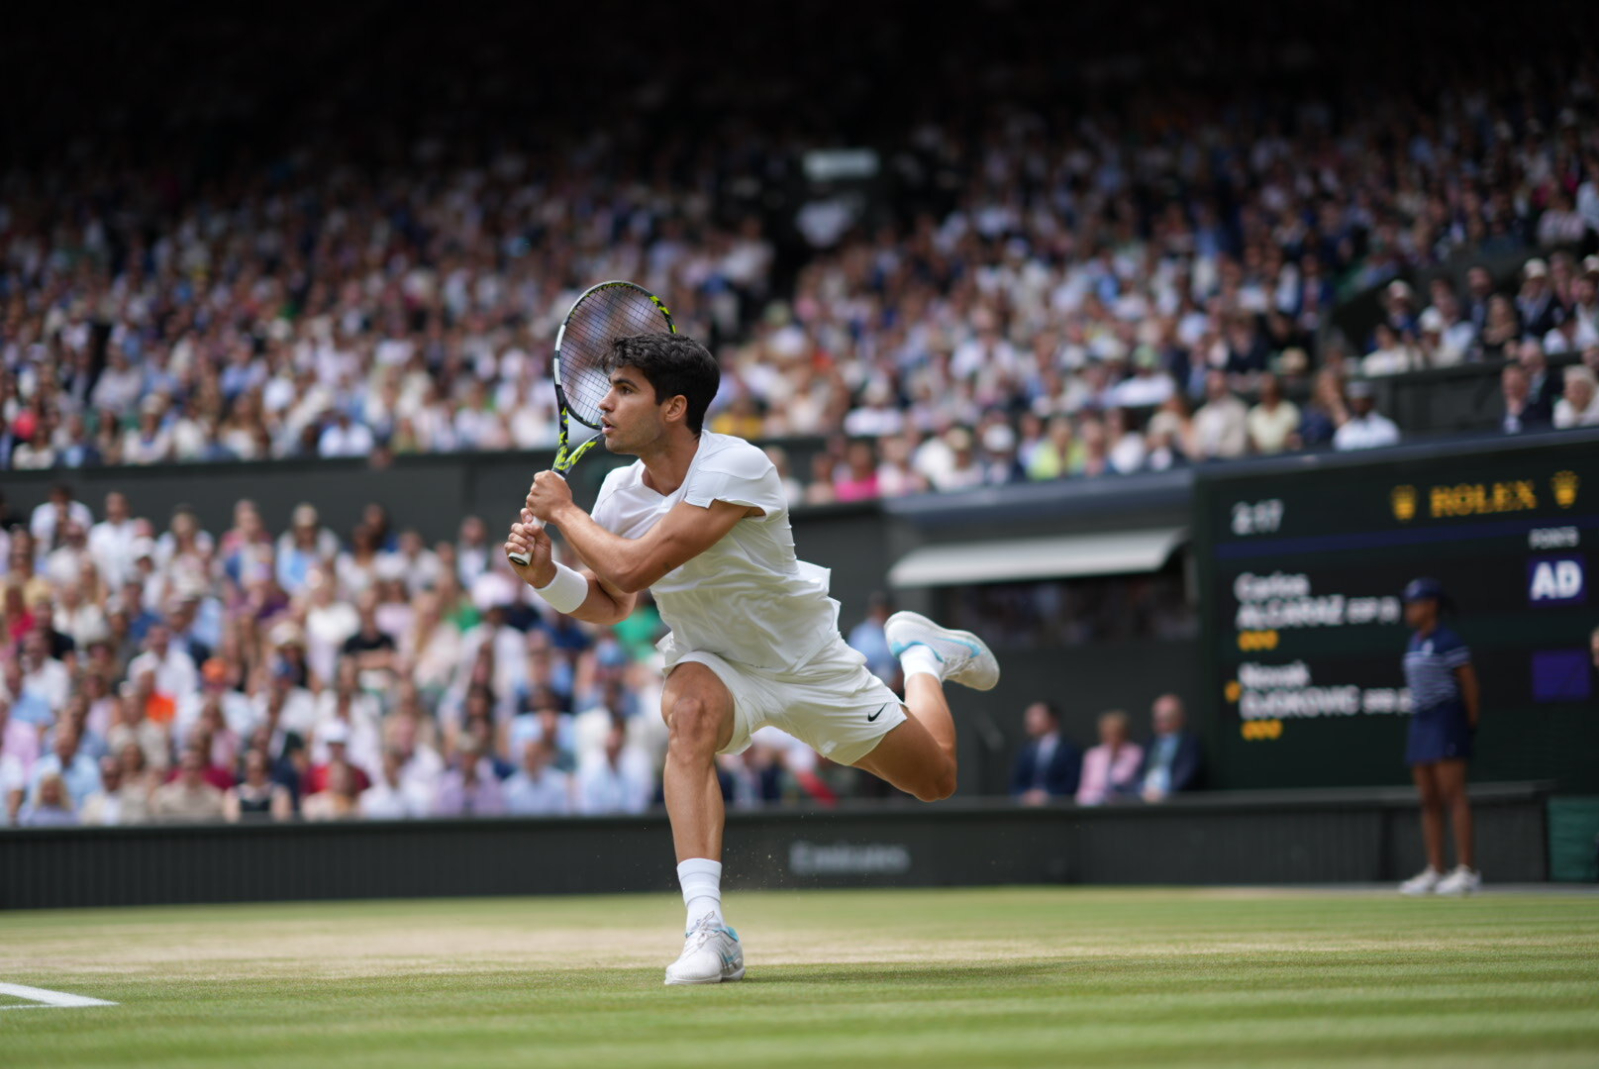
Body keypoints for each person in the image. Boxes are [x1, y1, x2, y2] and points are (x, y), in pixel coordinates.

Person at [506, 331, 999, 986]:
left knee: (935, 778)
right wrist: (546, 576)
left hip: (805, 664)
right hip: (711, 658)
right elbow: (612, 601)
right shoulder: (620, 493)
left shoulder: (737, 465)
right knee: (687, 719)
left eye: (625, 389)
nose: (605, 405)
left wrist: (563, 514)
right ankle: (708, 929)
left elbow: (638, 562)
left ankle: (920, 656)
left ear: (675, 407)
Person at [1396, 579, 1481, 896]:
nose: (1409, 610)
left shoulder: (1449, 641)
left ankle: (1467, 871)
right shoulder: (1413, 642)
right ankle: (1435, 869)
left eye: (1414, 603)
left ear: (1431, 605)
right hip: (1421, 722)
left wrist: (1467, 726)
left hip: (1447, 719)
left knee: (1453, 796)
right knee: (1428, 799)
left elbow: (1470, 687)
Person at [1009, 701, 1080, 805]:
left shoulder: (1069, 749)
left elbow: (1072, 784)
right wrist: (1025, 794)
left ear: (1053, 719)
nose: (1030, 720)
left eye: (1036, 715)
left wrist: (1048, 795)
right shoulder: (1026, 750)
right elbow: (1015, 783)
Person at [1136, 694, 1202, 802]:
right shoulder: (1150, 743)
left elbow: (1186, 773)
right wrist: (1141, 790)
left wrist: (1166, 792)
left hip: (1175, 801)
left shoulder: (1190, 742)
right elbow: (1140, 773)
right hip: (1146, 798)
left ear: (1180, 718)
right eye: (1157, 720)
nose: (1161, 725)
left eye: (1166, 719)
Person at [1075, 710, 1142, 806]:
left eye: (1115, 733)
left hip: (1123, 808)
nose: (1111, 738)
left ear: (1124, 733)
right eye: (1107, 733)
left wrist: (1115, 759)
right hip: (1092, 808)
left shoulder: (1135, 753)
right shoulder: (1092, 755)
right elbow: (1083, 790)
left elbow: (1122, 781)